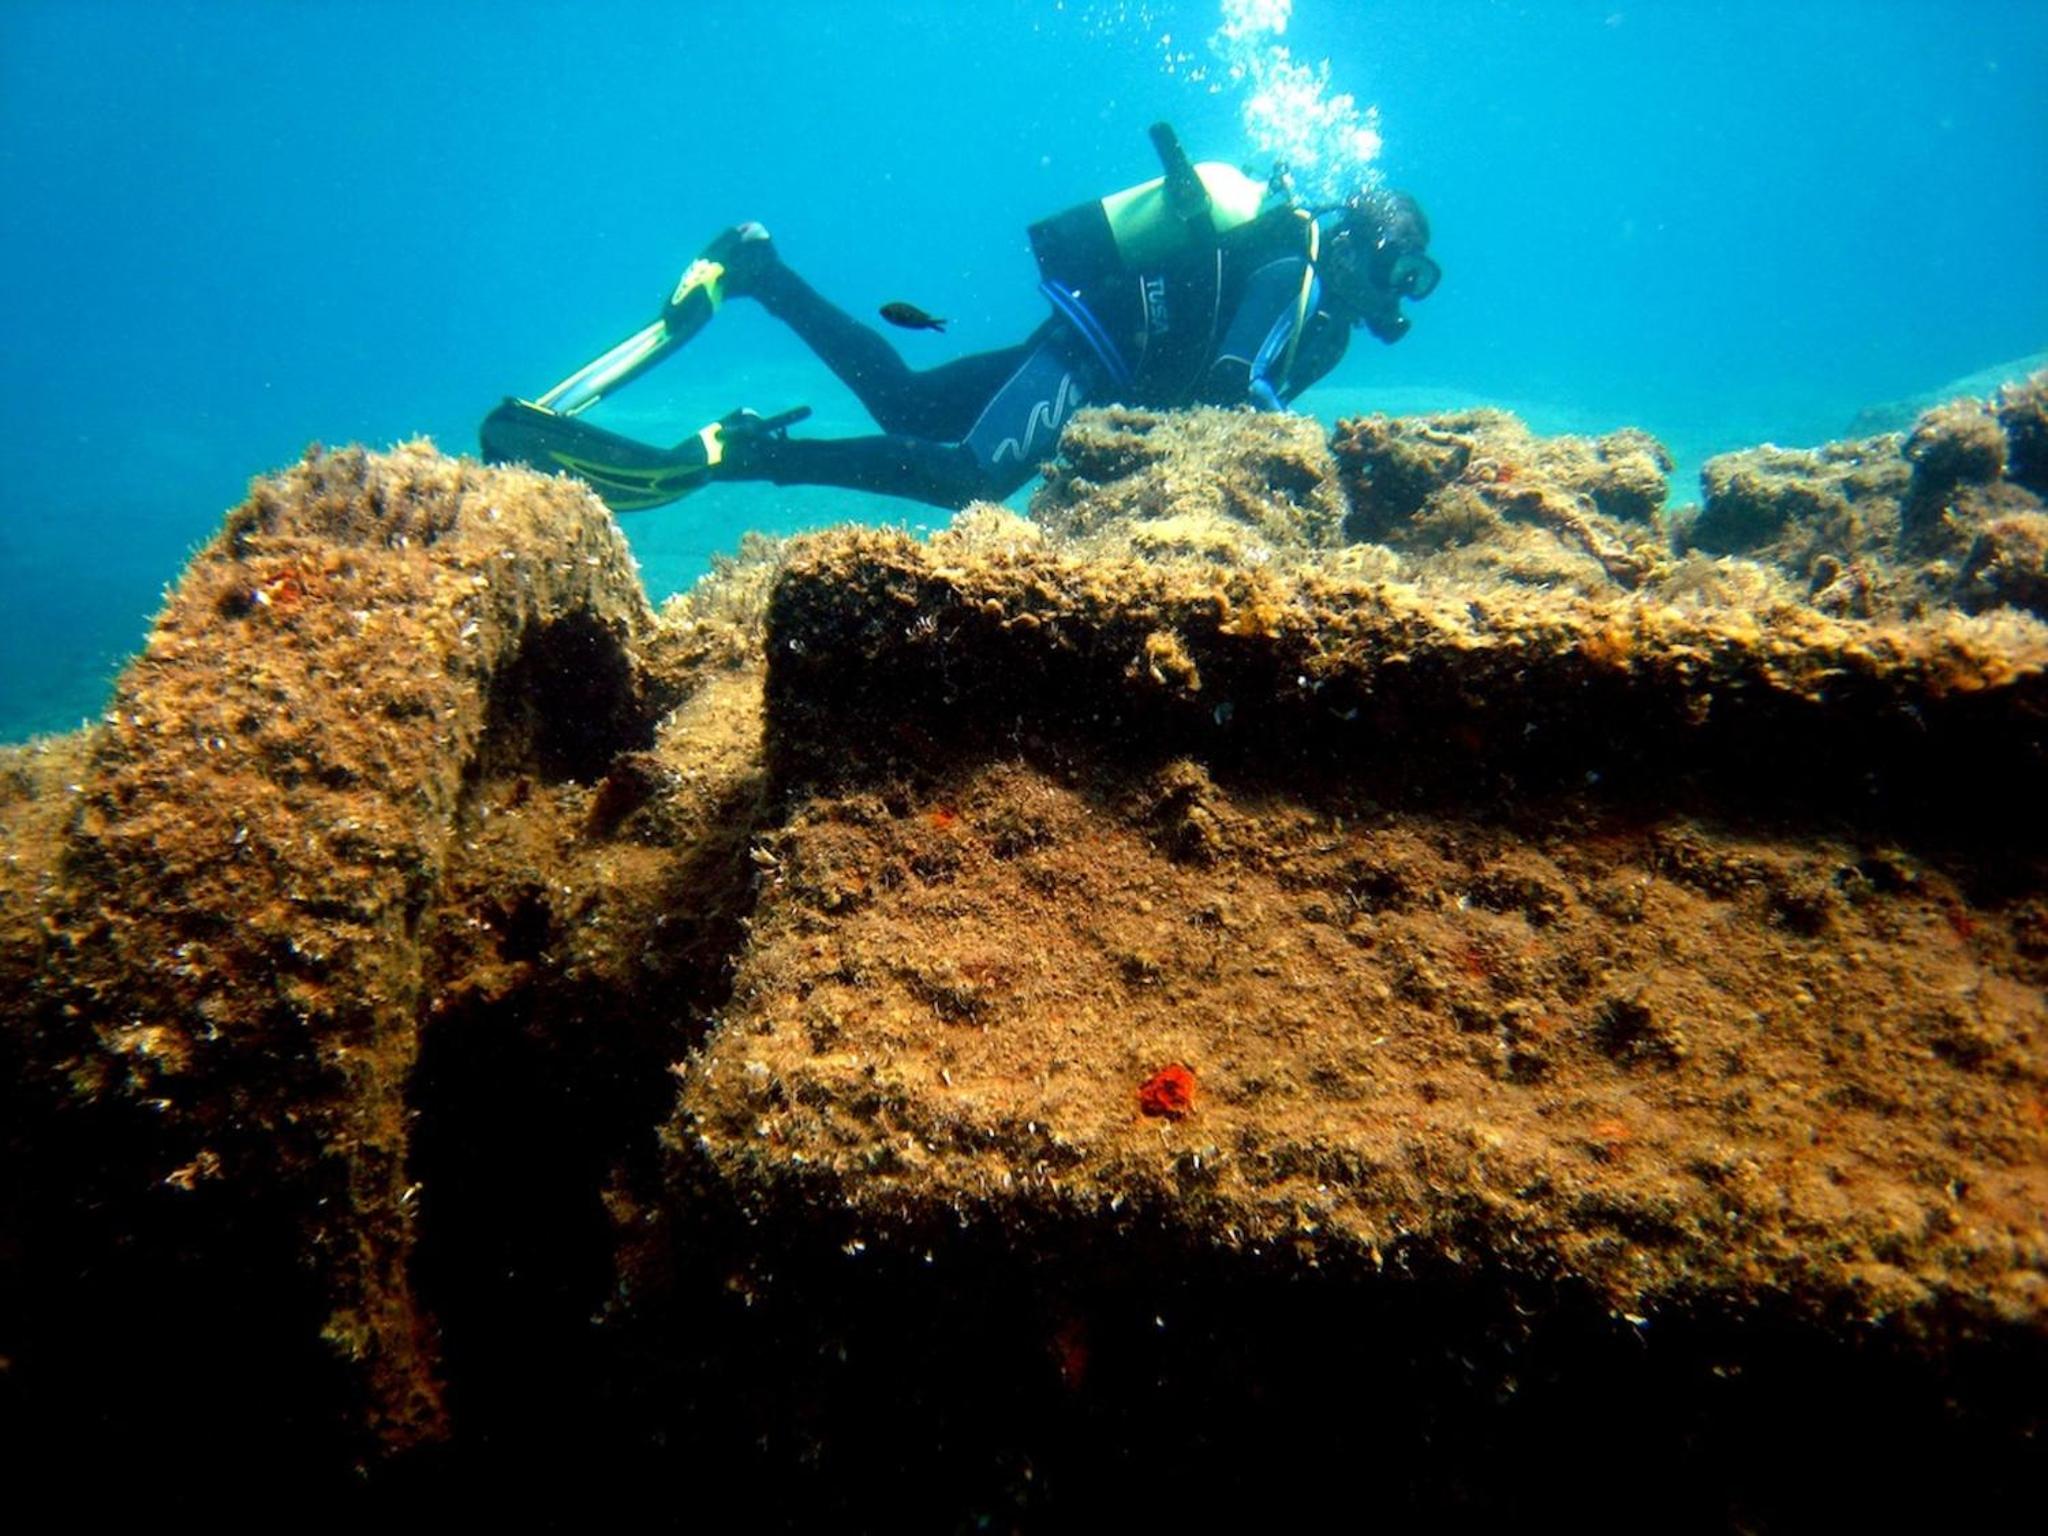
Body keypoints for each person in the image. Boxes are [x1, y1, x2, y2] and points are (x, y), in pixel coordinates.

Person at [480, 123, 1438, 512]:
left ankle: (761, 271)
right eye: (1394, 269)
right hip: (1095, 358)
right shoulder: (1296, 271)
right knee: (970, 479)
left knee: (905, 403)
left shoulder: (1323, 322)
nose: (1393, 293)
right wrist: (1308, 473)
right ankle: (742, 453)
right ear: (1357, 244)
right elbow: (1233, 385)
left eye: (1409, 281)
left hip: (1099, 346)